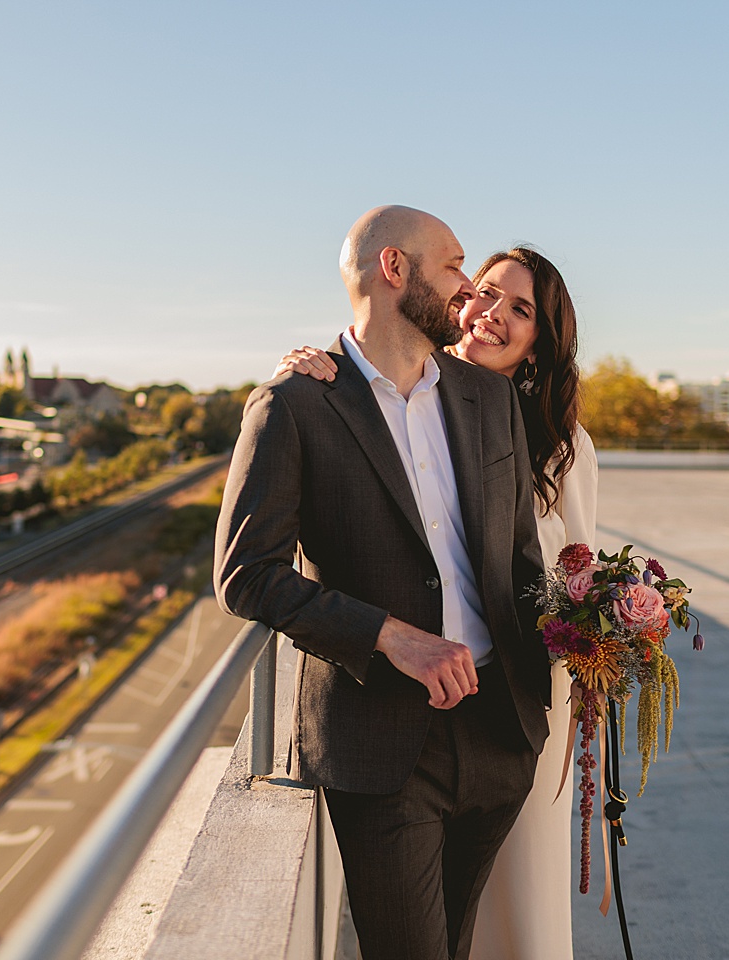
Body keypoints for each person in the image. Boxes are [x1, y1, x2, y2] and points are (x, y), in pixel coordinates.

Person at [215, 206, 552, 960]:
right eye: (455, 267)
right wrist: (391, 637)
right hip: (382, 745)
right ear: (393, 270)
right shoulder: (294, 404)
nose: (468, 290)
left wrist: (583, 647)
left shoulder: (490, 399)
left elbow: (521, 559)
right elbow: (245, 576)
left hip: (500, 730)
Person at [275, 245, 596, 960]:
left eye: (521, 310)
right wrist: (307, 371)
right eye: (484, 291)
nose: (492, 314)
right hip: (389, 722)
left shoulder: (557, 441)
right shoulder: (372, 387)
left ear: (543, 339)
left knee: (511, 911)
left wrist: (604, 639)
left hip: (507, 714)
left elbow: (573, 571)